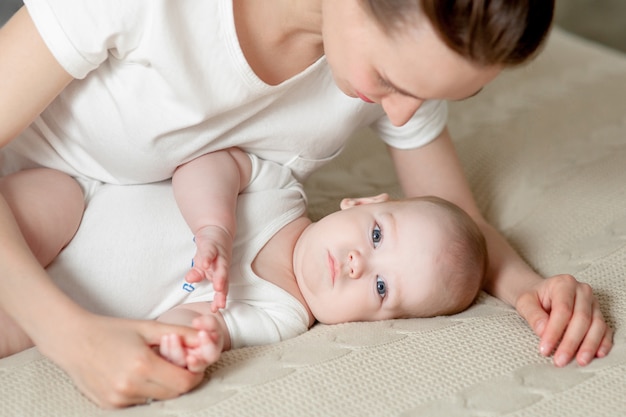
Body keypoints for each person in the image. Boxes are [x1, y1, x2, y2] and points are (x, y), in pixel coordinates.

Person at [0, 0, 612, 408]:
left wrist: (531, 291)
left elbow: (453, 220)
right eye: (393, 80)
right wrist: (70, 336)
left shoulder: (285, 303)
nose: (401, 114)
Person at [168, 148, 489, 372]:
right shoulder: (280, 192)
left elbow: (186, 319)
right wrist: (213, 226)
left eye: (381, 288)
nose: (358, 264)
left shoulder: (282, 318)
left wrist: (192, 343)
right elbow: (204, 162)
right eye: (376, 235)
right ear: (361, 203)